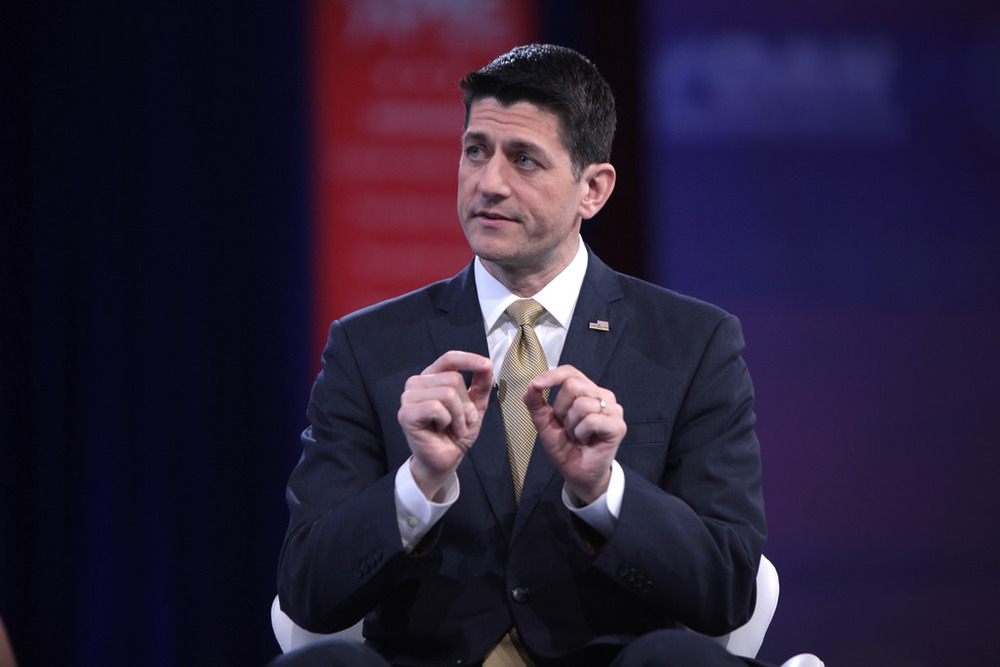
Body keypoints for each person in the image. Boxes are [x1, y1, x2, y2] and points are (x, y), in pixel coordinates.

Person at [274, 44, 767, 666]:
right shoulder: (369, 345)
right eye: (476, 151)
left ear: (593, 189)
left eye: (524, 159)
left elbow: (728, 589)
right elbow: (307, 592)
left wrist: (603, 490)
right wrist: (418, 485)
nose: (488, 183)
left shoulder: (693, 342)